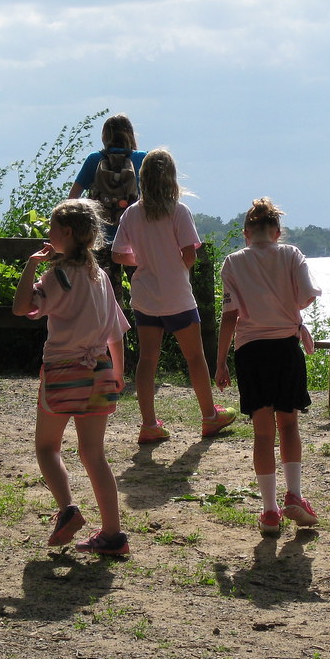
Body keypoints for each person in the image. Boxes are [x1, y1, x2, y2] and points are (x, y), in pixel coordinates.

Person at [12, 199, 131, 556]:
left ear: (64, 233)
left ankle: (68, 509)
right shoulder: (101, 278)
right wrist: (119, 372)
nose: (48, 233)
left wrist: (32, 265)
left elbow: (22, 308)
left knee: (47, 447)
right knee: (94, 454)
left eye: (51, 227)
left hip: (64, 372)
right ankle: (113, 534)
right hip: (99, 371)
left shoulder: (56, 277)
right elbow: (116, 332)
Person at [111, 148, 237, 443]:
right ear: (172, 179)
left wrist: (142, 261)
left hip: (145, 297)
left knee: (147, 360)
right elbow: (189, 254)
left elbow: (118, 254)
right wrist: (176, 268)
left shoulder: (132, 213)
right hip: (177, 295)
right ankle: (209, 416)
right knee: (194, 356)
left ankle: (149, 424)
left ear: (142, 178)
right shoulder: (178, 211)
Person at [214, 197, 323, 536]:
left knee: (263, 433)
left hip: (250, 352)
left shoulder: (232, 263)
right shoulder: (291, 255)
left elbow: (230, 316)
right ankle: (295, 494)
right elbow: (305, 295)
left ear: (247, 233)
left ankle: (270, 511)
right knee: (288, 426)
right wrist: (297, 320)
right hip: (285, 350)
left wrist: (220, 362)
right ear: (277, 232)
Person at [68, 113, 148, 303]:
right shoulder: (142, 159)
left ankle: (114, 333)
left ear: (105, 136)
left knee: (107, 298)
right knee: (145, 293)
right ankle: (145, 330)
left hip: (100, 238)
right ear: (130, 134)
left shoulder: (93, 160)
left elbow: (72, 200)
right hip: (134, 238)